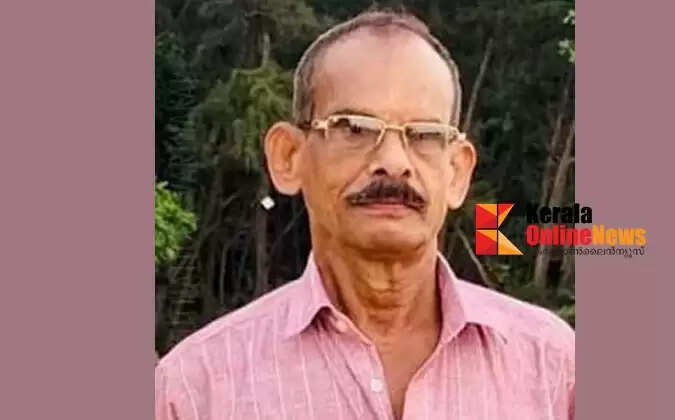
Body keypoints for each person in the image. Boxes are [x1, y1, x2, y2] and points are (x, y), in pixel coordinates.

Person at [156, 9, 574, 420]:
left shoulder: (553, 367)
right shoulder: (197, 391)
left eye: (425, 135)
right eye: (355, 128)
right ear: (289, 157)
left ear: (457, 173)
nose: (393, 163)